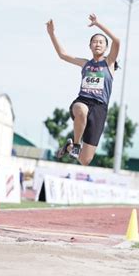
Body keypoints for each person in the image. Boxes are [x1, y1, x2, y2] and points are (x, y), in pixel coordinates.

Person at [46, 14, 120, 166]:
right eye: (94, 42)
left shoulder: (109, 63)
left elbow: (117, 40)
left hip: (100, 108)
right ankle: (77, 143)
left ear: (106, 47)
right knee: (80, 110)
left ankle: (70, 146)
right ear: (90, 46)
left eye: (101, 42)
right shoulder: (85, 63)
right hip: (83, 100)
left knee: (85, 160)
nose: (97, 44)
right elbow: (63, 55)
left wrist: (98, 24)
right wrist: (52, 34)